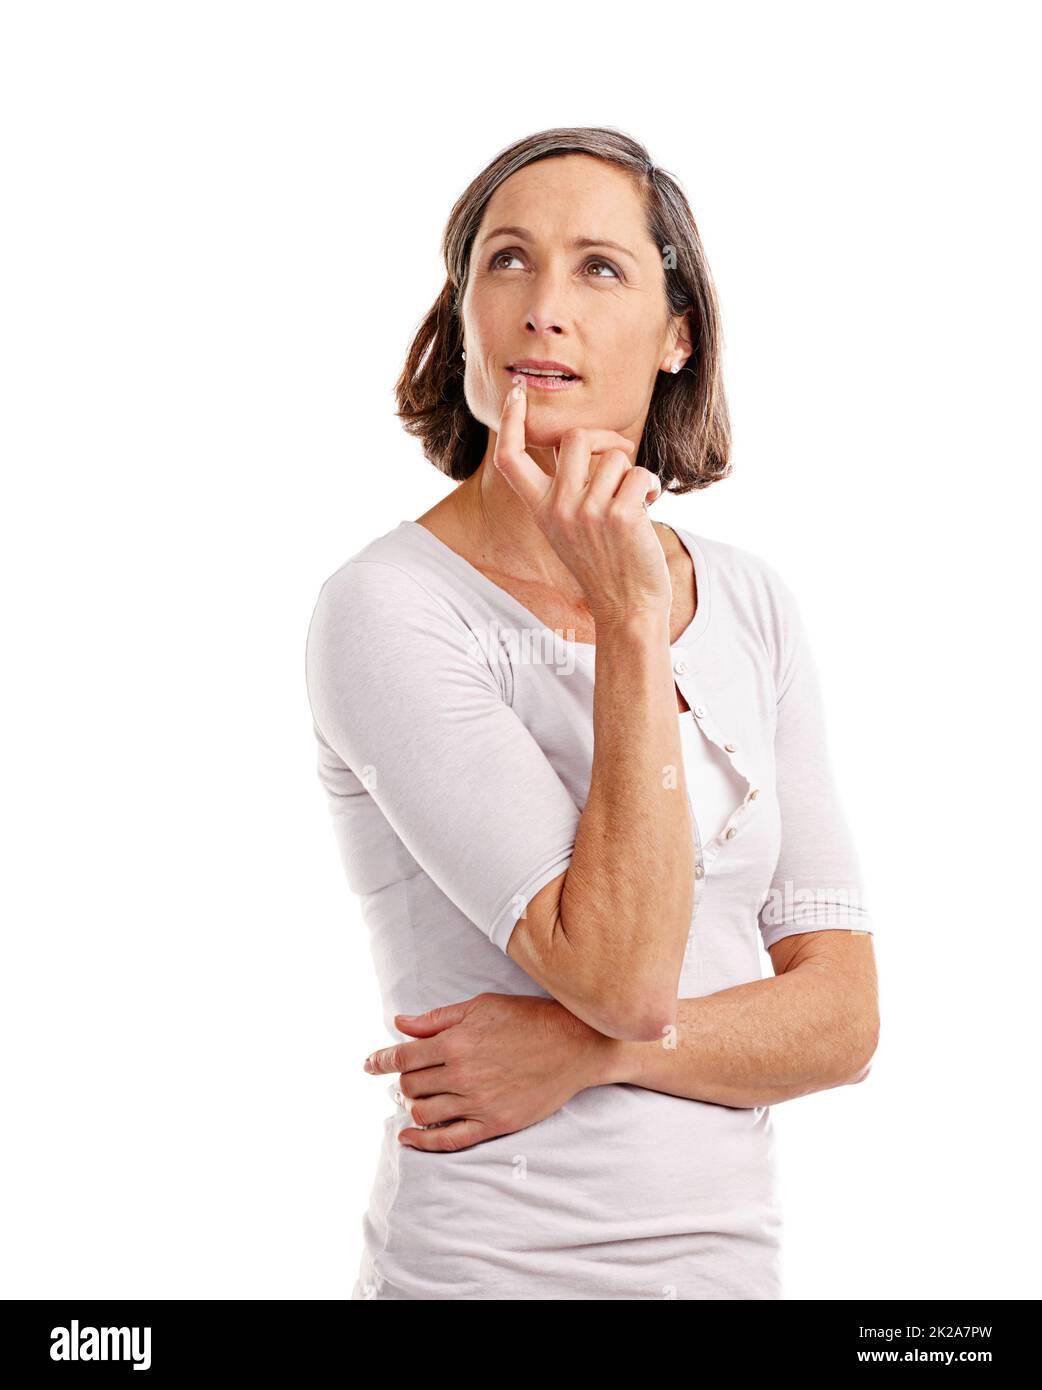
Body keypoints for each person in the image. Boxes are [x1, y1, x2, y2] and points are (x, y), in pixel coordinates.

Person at [304, 127, 879, 1301]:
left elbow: (842, 1016)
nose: (541, 308)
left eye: (599, 267)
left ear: (678, 336)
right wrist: (627, 621)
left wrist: (582, 1051)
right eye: (504, 261)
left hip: (726, 1274)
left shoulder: (750, 600)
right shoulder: (389, 607)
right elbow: (617, 969)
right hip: (486, 1271)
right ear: (459, 315)